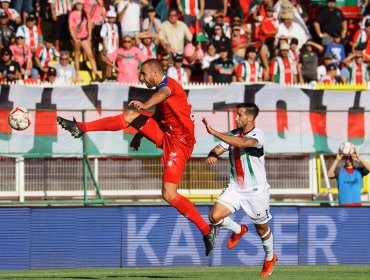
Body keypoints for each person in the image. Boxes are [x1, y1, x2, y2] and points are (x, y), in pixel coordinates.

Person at [57, 58, 217, 256]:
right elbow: (158, 118)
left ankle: (207, 230)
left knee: (169, 193)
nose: (141, 78)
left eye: (143, 74)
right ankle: (81, 128)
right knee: (131, 116)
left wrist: (145, 104)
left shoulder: (168, 86)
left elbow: (162, 94)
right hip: (167, 134)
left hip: (180, 142)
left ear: (155, 73)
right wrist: (138, 135)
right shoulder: (162, 89)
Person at [202, 102, 277, 278]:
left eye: (240, 115)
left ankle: (269, 258)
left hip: (256, 190)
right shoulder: (233, 134)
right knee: (214, 216)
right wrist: (212, 154)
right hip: (236, 187)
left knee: (261, 230)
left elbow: (243, 142)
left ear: (250, 118)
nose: (236, 118)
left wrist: (214, 133)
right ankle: (239, 230)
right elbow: (219, 148)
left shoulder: (258, 135)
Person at [68, 0, 102, 82]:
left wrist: (89, 36)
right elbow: (70, 27)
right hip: (76, 38)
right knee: (77, 55)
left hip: (84, 37)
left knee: (90, 55)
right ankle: (77, 75)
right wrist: (74, 38)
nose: (79, 5)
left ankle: (96, 73)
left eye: (80, 4)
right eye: (78, 4)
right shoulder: (72, 14)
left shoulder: (85, 13)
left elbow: (89, 25)